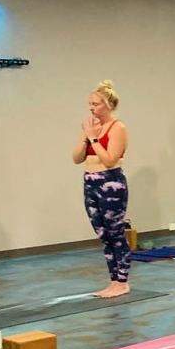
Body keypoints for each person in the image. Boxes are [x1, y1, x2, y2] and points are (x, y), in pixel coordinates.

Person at [72, 81, 131, 298]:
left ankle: (123, 281)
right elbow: (76, 158)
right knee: (102, 233)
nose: (91, 108)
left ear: (108, 105)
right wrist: (85, 136)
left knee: (115, 233)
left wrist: (94, 138)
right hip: (90, 181)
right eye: (90, 104)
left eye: (96, 104)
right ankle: (113, 279)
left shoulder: (118, 128)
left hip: (111, 182)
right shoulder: (91, 129)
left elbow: (109, 159)